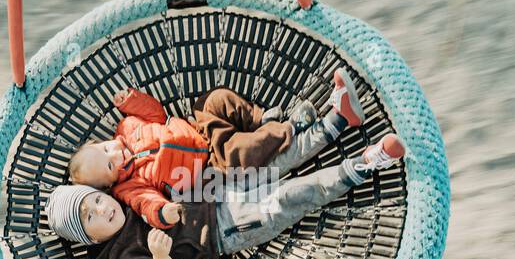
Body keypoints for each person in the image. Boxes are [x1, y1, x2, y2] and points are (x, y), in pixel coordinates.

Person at [46, 116, 406, 259]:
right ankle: (361, 166)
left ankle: (334, 122)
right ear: (90, 239)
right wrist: (159, 256)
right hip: (221, 230)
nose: (99, 210)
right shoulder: (122, 254)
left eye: (93, 201)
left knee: (272, 164)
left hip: (211, 184)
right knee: (285, 198)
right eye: (89, 219)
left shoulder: (126, 191)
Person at [65, 70, 366, 229]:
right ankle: (292, 128)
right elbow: (146, 204)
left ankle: (261, 117)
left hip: (198, 131)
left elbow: (156, 113)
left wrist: (130, 101)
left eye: (105, 149)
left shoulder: (127, 128)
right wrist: (164, 211)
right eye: (108, 165)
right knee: (241, 154)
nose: (114, 154)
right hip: (207, 170)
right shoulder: (129, 187)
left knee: (213, 100)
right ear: (110, 183)